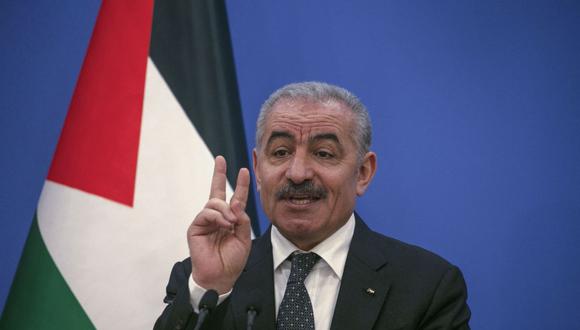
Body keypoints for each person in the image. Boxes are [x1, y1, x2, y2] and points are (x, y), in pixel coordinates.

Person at [154, 82, 471, 330]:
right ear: (258, 168)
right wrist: (210, 289)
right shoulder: (200, 277)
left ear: (363, 173)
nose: (297, 172)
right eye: (280, 152)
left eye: (323, 153)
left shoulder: (426, 286)